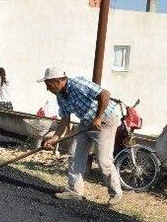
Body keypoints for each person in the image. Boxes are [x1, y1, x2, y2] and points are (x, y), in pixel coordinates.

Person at [40, 67, 123, 205]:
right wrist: (55, 137)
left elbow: (105, 94)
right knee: (74, 154)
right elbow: (65, 119)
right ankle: (74, 191)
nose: (48, 89)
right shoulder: (60, 95)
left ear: (59, 81)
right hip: (86, 123)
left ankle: (116, 193)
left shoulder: (78, 84)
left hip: (105, 121)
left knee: (103, 160)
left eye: (49, 85)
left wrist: (98, 117)